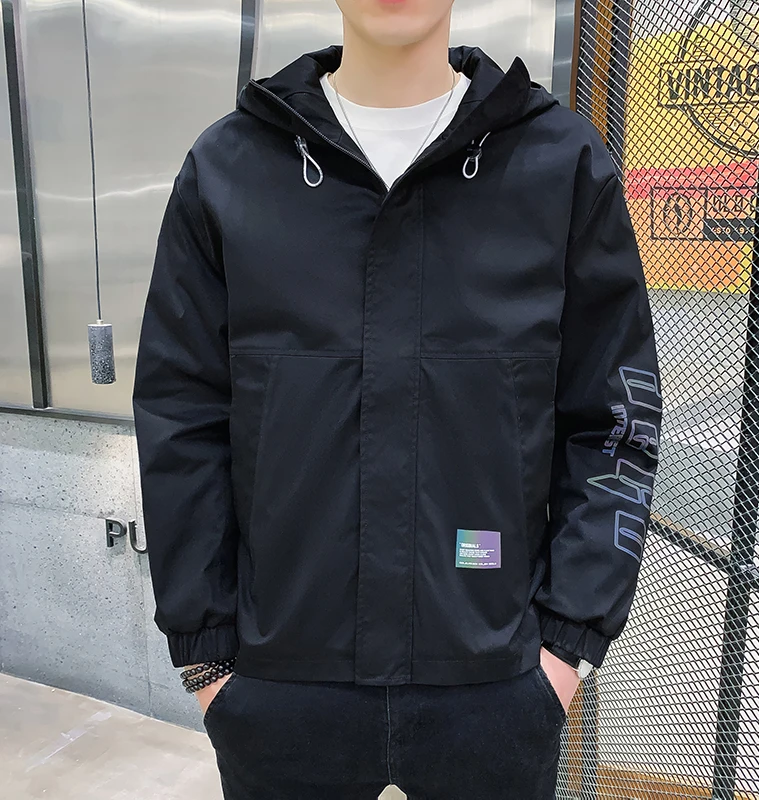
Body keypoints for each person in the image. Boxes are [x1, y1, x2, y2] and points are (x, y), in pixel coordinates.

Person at [131, 1, 663, 798]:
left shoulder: (558, 167)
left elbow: (614, 420)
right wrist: (207, 660)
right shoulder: (230, 168)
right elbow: (182, 417)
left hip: (496, 686)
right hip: (279, 687)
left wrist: (566, 648)